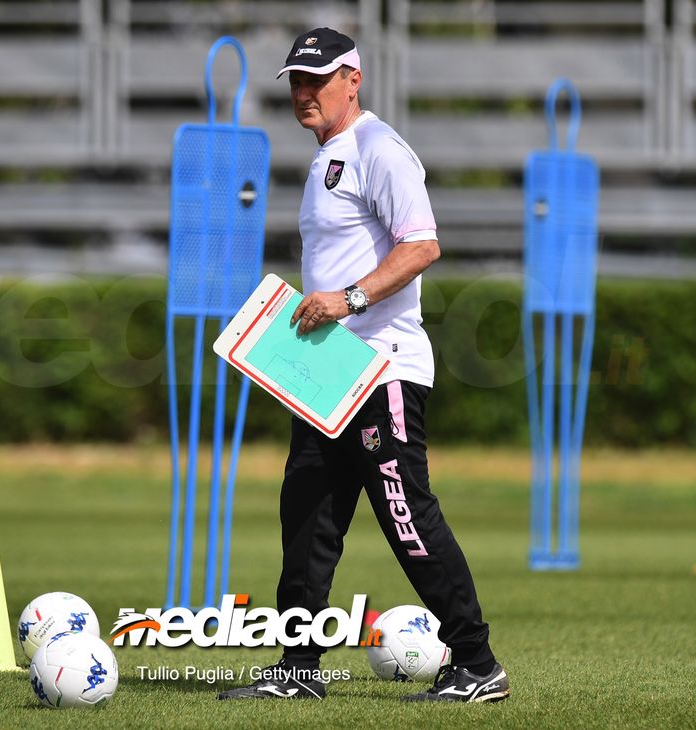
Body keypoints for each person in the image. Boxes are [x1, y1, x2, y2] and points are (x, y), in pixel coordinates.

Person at [217, 28, 508, 703]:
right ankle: (298, 668)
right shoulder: (327, 157)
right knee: (308, 515)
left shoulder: (379, 148)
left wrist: (347, 300)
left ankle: (476, 662)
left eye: (316, 79)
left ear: (354, 78)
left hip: (383, 369)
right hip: (326, 375)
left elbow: (422, 245)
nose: (302, 92)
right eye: (295, 80)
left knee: (406, 516)